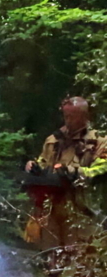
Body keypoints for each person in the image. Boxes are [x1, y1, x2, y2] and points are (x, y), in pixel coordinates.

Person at [23, 96, 107, 250]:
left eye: (72, 116)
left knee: (80, 253)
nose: (68, 120)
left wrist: (74, 171)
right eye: (65, 116)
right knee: (50, 253)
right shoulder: (53, 140)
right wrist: (34, 166)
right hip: (52, 209)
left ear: (84, 116)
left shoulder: (99, 142)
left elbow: (101, 170)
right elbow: (43, 162)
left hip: (81, 209)